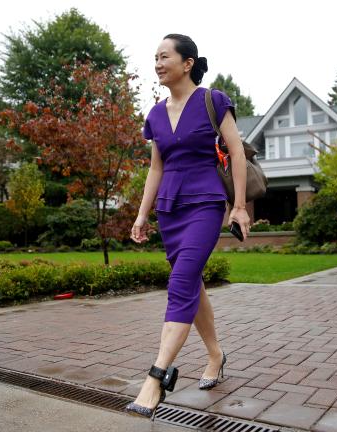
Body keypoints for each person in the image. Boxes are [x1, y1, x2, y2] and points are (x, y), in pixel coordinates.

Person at [125, 34, 250, 420]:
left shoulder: (212, 101)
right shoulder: (156, 114)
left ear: (187, 63)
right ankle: (215, 354)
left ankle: (156, 378)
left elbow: (237, 151)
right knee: (190, 281)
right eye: (155, 58)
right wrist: (142, 214)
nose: (158, 63)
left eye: (165, 57)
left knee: (180, 284)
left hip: (206, 204)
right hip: (171, 209)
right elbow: (156, 168)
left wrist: (239, 206)